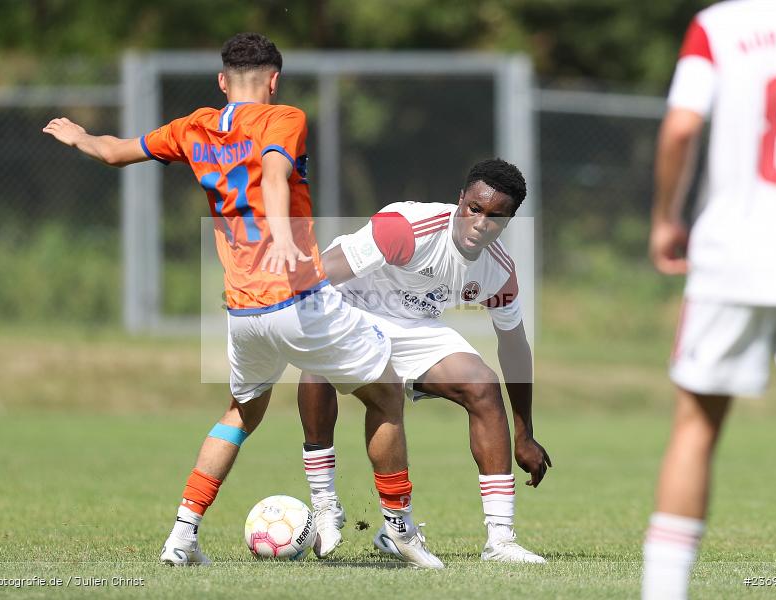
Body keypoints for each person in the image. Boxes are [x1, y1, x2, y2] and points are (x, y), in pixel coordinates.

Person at [43, 32, 444, 570]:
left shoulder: (193, 126)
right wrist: (280, 234)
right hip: (297, 298)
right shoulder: (284, 118)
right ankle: (399, 528)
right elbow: (275, 173)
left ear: (221, 81)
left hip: (243, 312)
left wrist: (79, 136)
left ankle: (182, 537)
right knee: (387, 395)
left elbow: (116, 152)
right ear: (274, 80)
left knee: (240, 413)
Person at [643, 2, 776, 598]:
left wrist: (666, 218)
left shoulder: (719, 25)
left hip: (732, 255)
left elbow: (681, 127)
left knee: (696, 427)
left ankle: (663, 593)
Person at [297, 158, 552, 563]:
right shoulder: (407, 229)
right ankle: (326, 506)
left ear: (508, 221)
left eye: (495, 217)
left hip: (412, 325)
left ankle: (500, 541)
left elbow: (514, 346)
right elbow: (319, 276)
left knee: (483, 385)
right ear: (460, 200)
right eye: (474, 209)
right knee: (319, 361)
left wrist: (525, 433)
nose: (481, 223)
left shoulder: (499, 271)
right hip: (350, 303)